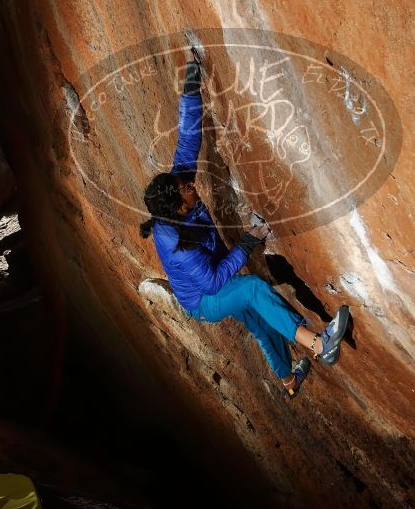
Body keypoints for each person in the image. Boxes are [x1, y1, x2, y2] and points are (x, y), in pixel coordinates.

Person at [140, 55, 349, 398]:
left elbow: (188, 140)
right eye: (185, 189)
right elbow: (213, 280)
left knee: (260, 324)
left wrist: (191, 87)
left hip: (209, 285)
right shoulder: (178, 244)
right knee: (252, 290)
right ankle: (319, 344)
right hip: (204, 301)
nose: (189, 184)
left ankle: (289, 382)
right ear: (180, 206)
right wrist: (249, 242)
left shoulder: (177, 201)